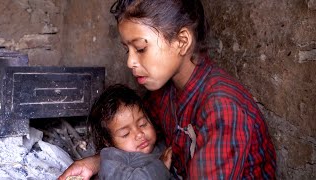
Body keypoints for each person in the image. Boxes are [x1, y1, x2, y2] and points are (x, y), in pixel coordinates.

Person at [59, 0, 276, 179]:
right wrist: (96, 163)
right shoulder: (166, 92)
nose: (130, 62)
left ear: (182, 42)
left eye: (141, 48)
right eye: (128, 50)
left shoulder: (223, 109)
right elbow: (140, 138)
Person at [87, 84, 172, 179]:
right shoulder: (112, 160)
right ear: (107, 141)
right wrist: (161, 167)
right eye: (126, 134)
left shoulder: (161, 145)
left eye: (143, 124)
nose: (139, 134)